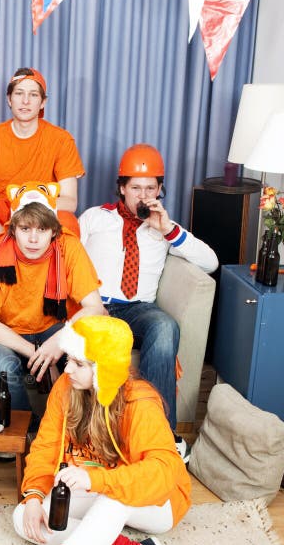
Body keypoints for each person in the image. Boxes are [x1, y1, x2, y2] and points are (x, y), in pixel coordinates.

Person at [0, 315, 191, 545]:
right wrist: (33, 498)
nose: (67, 368)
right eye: (69, 359)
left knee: (114, 502)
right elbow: (44, 447)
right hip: (98, 485)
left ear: (104, 370)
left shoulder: (140, 404)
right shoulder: (67, 388)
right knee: (23, 518)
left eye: (78, 363)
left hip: (158, 503)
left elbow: (163, 473)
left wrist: (95, 482)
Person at [78, 144, 218, 457]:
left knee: (165, 327)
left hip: (138, 309)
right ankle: (96, 435)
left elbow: (211, 261)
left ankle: (160, 436)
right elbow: (69, 258)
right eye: (136, 188)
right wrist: (85, 301)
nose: (143, 196)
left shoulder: (164, 227)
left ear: (159, 191)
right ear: (122, 189)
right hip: (95, 305)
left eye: (150, 188)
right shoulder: (94, 218)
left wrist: (167, 229)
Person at [0, 182, 104, 423]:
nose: (33, 239)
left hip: (54, 328)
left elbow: (96, 308)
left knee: (82, 353)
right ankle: (27, 431)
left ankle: (71, 429)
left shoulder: (69, 247)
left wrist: (59, 343)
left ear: (54, 231)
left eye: (42, 230)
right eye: (25, 229)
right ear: (12, 229)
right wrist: (40, 355)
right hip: (6, 333)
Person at [0, 67, 85, 271]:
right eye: (19, 93)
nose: (25, 101)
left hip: (42, 212)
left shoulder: (61, 140)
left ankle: (54, 293)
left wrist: (28, 209)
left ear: (43, 102)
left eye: (33, 95)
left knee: (68, 224)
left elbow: (70, 201)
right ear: (9, 99)